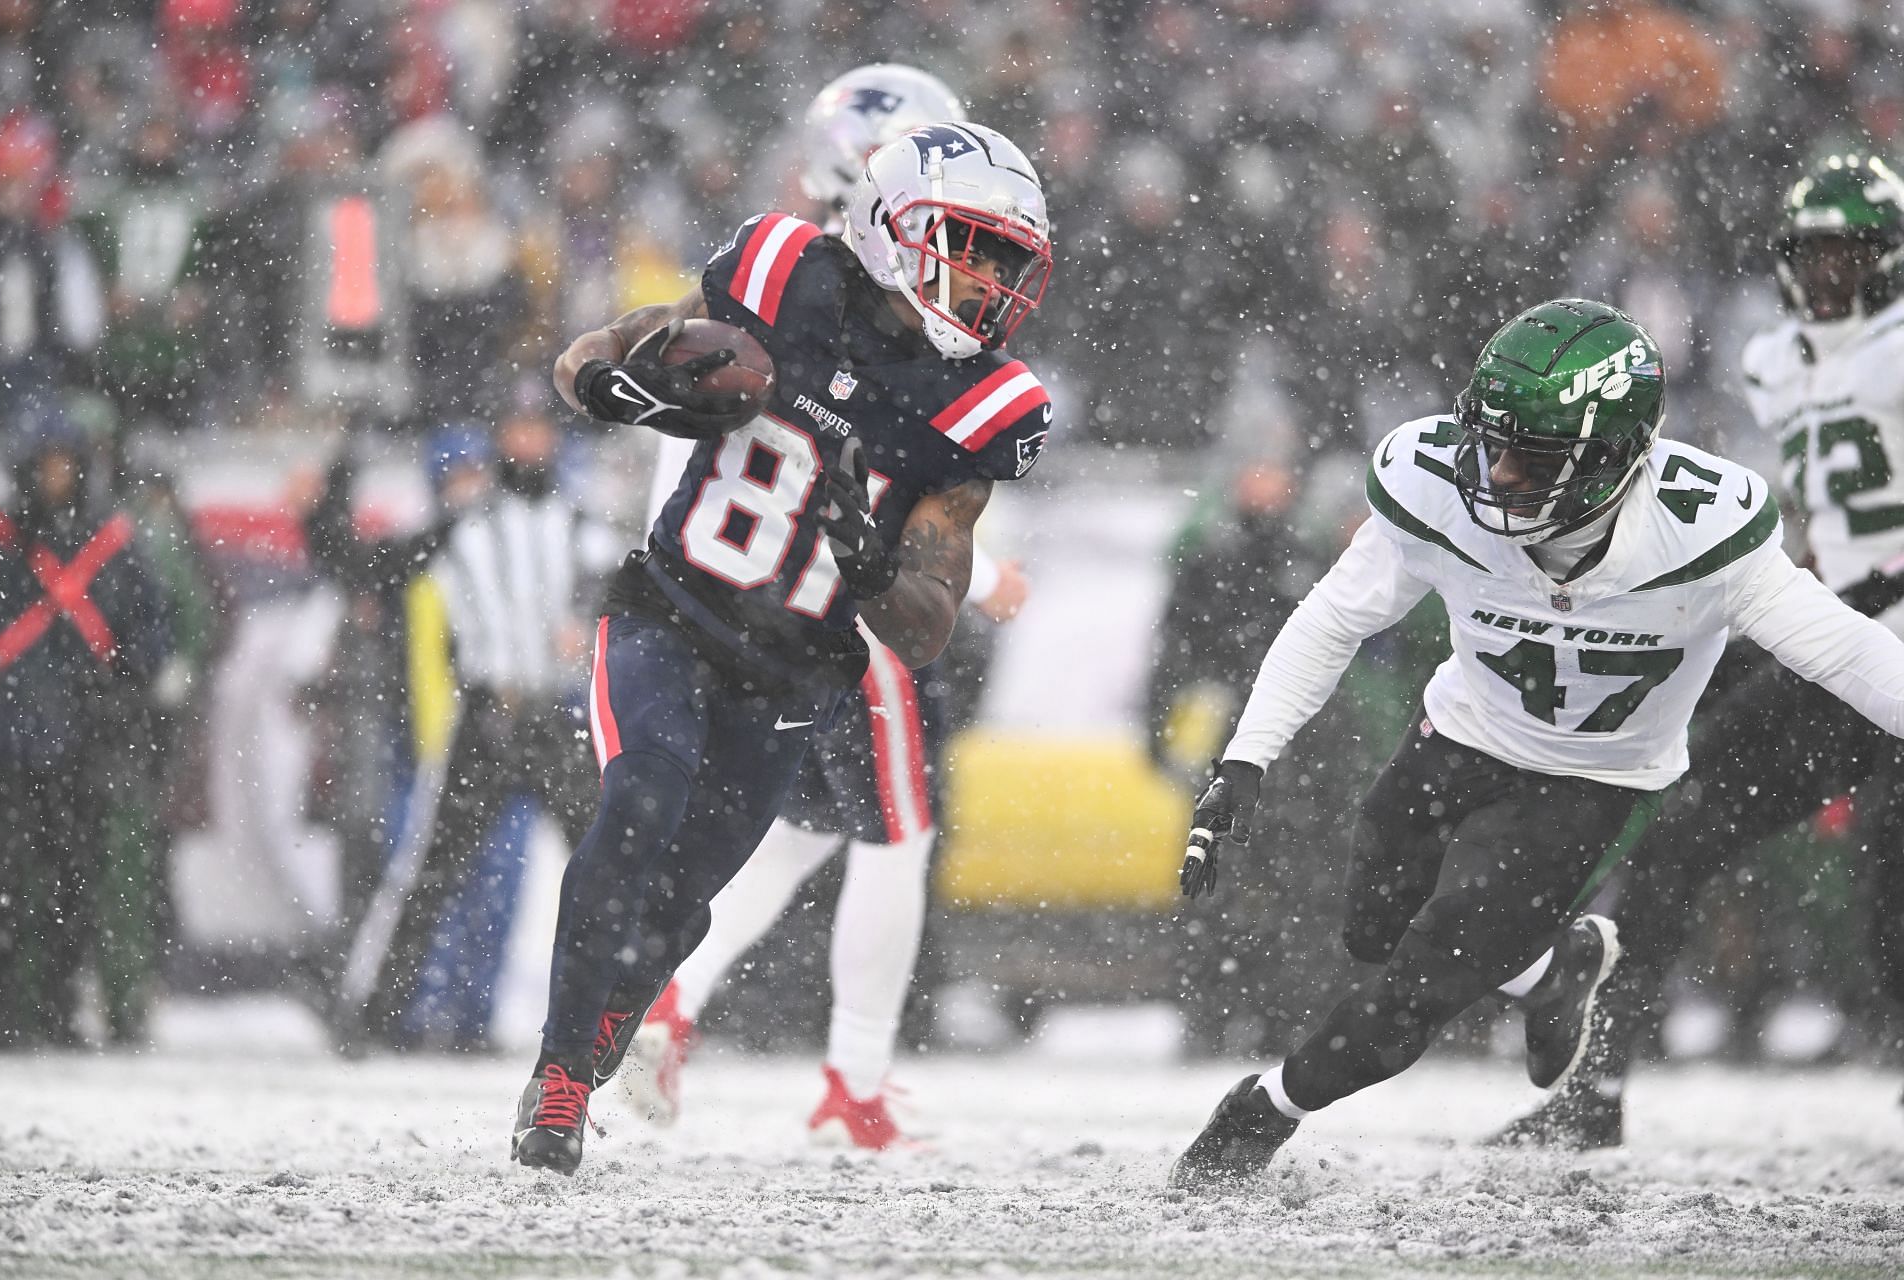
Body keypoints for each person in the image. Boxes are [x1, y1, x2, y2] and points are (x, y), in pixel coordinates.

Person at [1168, 297, 1904, 1188]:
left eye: (1531, 455)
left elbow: (1847, 652)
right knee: (1372, 926)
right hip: (1458, 735)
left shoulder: (1703, 534)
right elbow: (1333, 618)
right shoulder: (1439, 487)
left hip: (1590, 779)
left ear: (1612, 459)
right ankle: (1557, 969)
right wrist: (1248, 756)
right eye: (1490, 440)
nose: (1496, 473)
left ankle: (1264, 1111)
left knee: (1414, 990)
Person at [512, 119, 1055, 1175]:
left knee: (682, 904)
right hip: (671, 609)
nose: (988, 281)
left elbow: (932, 618)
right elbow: (604, 346)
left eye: (1005, 260)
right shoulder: (781, 274)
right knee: (640, 799)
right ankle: (562, 1074)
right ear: (894, 227)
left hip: (794, 671)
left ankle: (615, 1023)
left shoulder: (981, 404)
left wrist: (872, 566)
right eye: (970, 246)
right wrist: (606, 388)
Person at [1495, 153, 1904, 1148]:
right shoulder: (1779, 360)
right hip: (1841, 645)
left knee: (1893, 887)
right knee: (1677, 827)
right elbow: (1820, 510)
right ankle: (1595, 1093)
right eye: (1813, 258)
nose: (1827, 280)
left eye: (1848, 259)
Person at [329, 412, 614, 1051]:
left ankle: (650, 1011)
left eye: (537, 430)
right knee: (432, 873)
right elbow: (361, 564)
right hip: (489, 717)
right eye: (518, 431)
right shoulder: (462, 527)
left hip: (551, 718)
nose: (528, 443)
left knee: (608, 867)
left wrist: (583, 614)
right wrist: (335, 481)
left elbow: (612, 580)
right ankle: (375, 1016)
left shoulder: (576, 525)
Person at [0, 405, 167, 1050]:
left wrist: (122, 685)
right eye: (45, 465)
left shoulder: (109, 544)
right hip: (5, 741)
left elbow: (150, 625)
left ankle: (60, 1009)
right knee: (3, 886)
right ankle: (9, 1013)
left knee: (72, 886)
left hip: (81, 740)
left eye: (64, 464)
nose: (54, 477)